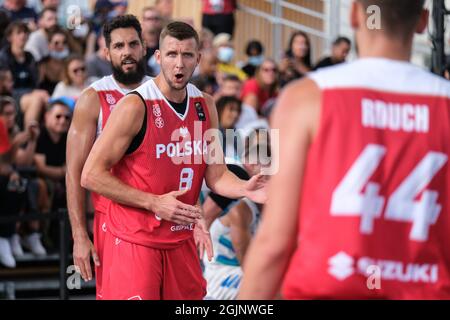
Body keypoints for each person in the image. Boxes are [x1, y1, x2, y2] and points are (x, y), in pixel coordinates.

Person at [239, 0, 450, 300]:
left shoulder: (306, 97)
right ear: (423, 22)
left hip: (327, 288)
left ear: (353, 15)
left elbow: (275, 242)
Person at [81, 21, 267, 300]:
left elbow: (215, 175)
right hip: (137, 240)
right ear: (157, 57)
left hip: (180, 239)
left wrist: (244, 188)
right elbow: (91, 175)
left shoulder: (205, 105)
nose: (179, 64)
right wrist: (153, 202)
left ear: (198, 59)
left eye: (187, 55)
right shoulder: (135, 105)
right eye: (171, 54)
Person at [66, 14, 153, 301]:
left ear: (144, 47)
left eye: (132, 44)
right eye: (118, 46)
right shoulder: (93, 98)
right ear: (106, 53)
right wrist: (79, 234)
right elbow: (75, 171)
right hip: (115, 222)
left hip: (163, 217)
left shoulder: (163, 92)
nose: (126, 52)